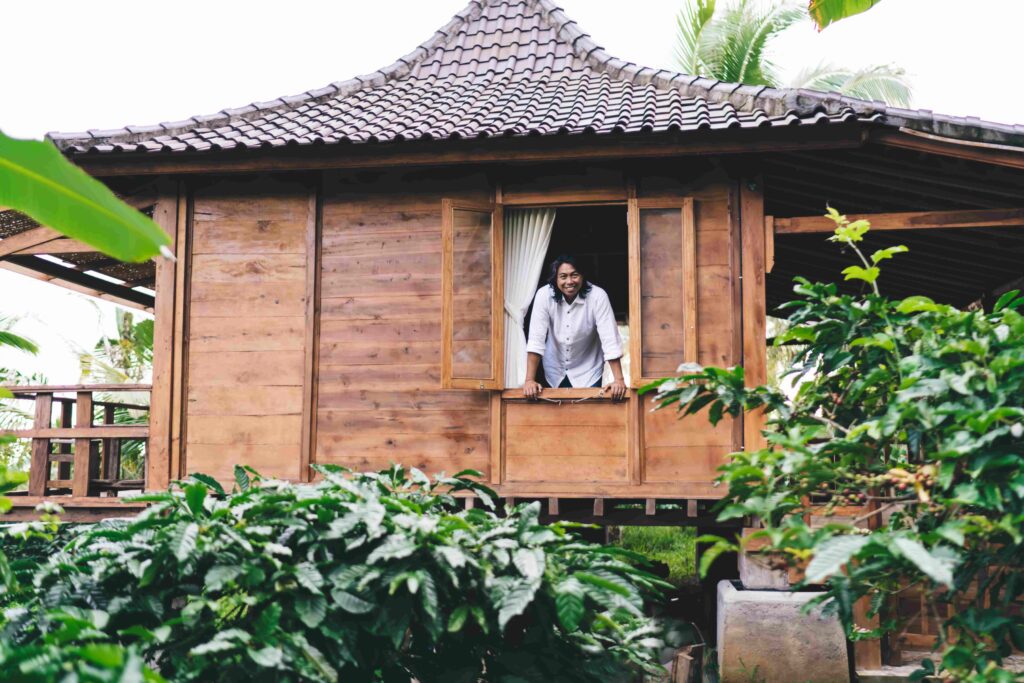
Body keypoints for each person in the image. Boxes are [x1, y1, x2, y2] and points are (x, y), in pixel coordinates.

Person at [522, 254, 627, 400]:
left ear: (583, 276)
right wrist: (529, 380)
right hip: (553, 369)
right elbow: (536, 339)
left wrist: (619, 380)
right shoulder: (544, 295)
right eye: (563, 276)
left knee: (586, 417)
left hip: (588, 370)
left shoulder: (598, 296)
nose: (569, 281)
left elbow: (609, 339)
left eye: (574, 275)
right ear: (555, 278)